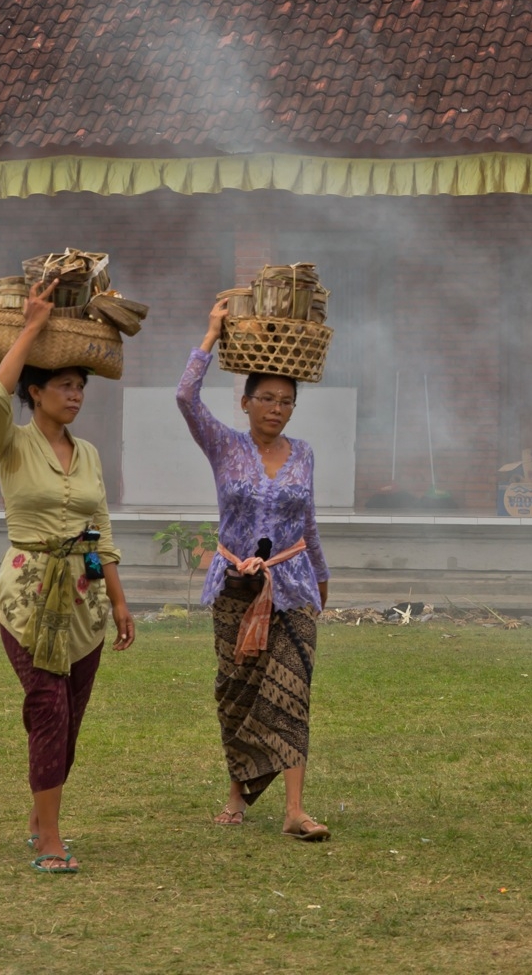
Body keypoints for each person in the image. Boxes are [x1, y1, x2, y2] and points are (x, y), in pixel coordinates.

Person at [0, 278, 136, 874]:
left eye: (80, 387)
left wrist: (120, 603)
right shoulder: (12, 444)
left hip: (85, 600)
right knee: (47, 705)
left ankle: (38, 812)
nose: (75, 395)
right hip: (26, 595)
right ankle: (49, 836)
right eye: (65, 386)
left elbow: (102, 533)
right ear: (37, 391)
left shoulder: (90, 453)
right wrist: (30, 328)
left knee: (70, 715)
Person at [177, 297, 332, 841]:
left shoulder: (304, 453)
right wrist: (211, 333)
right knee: (237, 692)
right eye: (265, 398)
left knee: (292, 692)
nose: (276, 408)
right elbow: (184, 396)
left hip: (292, 588)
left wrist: (323, 576)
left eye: (285, 401)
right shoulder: (225, 445)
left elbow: (307, 520)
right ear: (244, 403)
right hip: (235, 585)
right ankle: (237, 797)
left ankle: (295, 810)